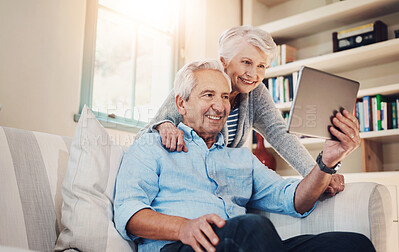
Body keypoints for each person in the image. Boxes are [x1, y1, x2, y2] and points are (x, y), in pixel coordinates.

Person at [114, 60, 374, 252]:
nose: (220, 106)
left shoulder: (241, 159)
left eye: (225, 97)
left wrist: (326, 163)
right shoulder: (152, 146)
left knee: (352, 244)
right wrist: (184, 227)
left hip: (245, 244)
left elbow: (294, 200)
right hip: (179, 246)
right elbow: (129, 212)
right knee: (251, 227)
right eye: (208, 95)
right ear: (181, 104)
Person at [136, 25, 344, 196]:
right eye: (246, 62)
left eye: (261, 66)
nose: (253, 74)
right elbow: (144, 136)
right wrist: (164, 125)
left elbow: (281, 135)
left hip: (224, 186)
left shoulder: (256, 93)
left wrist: (318, 174)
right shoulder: (198, 82)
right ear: (224, 62)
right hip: (188, 183)